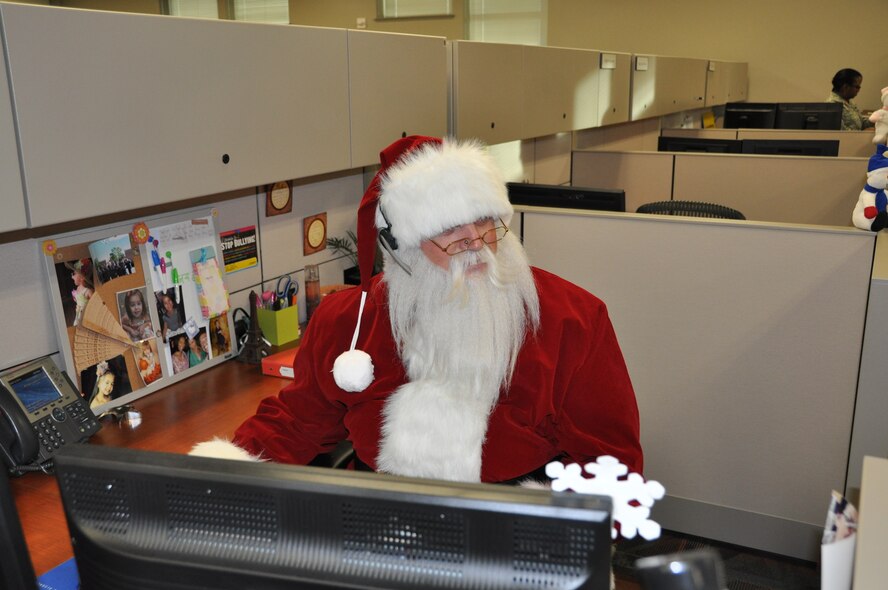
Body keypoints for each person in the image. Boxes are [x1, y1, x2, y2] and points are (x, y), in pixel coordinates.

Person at [192, 136, 642, 484]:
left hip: (516, 526)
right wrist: (219, 475)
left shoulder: (573, 320)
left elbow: (611, 463)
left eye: (486, 218)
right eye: (448, 229)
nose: (478, 244)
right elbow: (296, 421)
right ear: (400, 246)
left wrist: (548, 536)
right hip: (382, 524)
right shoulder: (350, 322)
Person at [66, 258, 94, 326]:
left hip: (87, 316)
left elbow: (94, 305)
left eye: (74, 274)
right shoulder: (78, 288)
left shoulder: (88, 291)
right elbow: (79, 301)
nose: (72, 277)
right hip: (78, 315)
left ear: (82, 277)